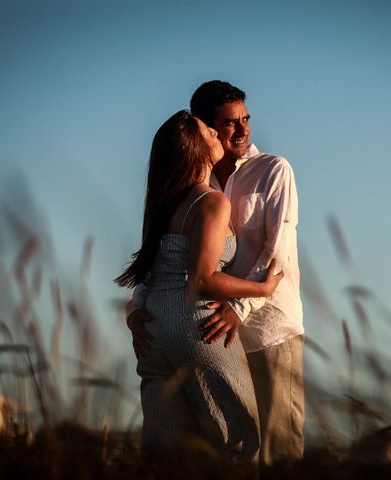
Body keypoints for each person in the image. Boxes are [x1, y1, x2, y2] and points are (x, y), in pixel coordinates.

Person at [128, 81, 305, 468]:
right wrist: (136, 307)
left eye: (246, 119)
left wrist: (239, 308)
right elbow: (161, 257)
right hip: (210, 333)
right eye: (228, 124)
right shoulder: (195, 188)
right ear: (205, 129)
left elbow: (276, 254)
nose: (242, 130)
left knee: (277, 453)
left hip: (266, 331)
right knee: (219, 448)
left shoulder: (274, 170)